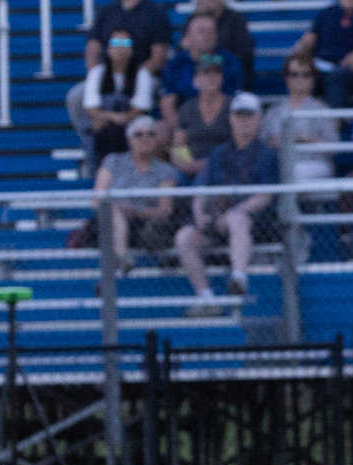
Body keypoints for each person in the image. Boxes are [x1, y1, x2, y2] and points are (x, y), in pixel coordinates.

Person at [175, 92, 280, 310]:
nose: (244, 121)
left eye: (249, 115)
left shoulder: (268, 154)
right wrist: (200, 215)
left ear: (259, 119)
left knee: (237, 218)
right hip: (217, 221)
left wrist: (234, 213)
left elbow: (266, 195)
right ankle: (206, 297)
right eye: (239, 115)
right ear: (231, 119)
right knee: (184, 237)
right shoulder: (219, 153)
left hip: (257, 225)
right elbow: (201, 190)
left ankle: (239, 277)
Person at [94, 114, 180, 272]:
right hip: (110, 221)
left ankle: (121, 258)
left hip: (144, 225)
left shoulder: (166, 171)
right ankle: (122, 256)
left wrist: (136, 211)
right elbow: (97, 198)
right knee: (114, 210)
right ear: (130, 139)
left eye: (150, 134)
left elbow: (165, 210)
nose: (144, 138)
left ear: (157, 139)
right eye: (138, 134)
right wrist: (120, 210)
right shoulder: (113, 161)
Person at [78, 33, 159, 170]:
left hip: (131, 120)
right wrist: (114, 117)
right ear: (108, 49)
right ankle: (99, 170)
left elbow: (140, 109)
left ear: (132, 50)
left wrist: (123, 118)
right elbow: (92, 108)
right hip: (106, 121)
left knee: (141, 130)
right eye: (115, 43)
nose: (120, 48)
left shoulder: (142, 74)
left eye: (126, 44)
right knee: (97, 126)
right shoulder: (97, 72)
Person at [288, 0, 353, 107]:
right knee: (301, 73)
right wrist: (298, 53)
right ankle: (298, 113)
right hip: (323, 66)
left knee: (336, 78)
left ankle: (334, 117)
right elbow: (308, 41)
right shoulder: (327, 12)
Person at [263, 53, 337, 186]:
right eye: (294, 74)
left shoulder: (323, 110)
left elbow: (333, 147)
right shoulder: (274, 111)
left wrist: (305, 139)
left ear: (313, 78)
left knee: (296, 174)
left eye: (306, 74)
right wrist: (281, 141)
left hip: (315, 165)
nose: (300, 79)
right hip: (279, 165)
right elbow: (263, 144)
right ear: (286, 78)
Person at [167, 54, 233, 180]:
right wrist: (189, 165)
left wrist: (208, 164)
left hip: (226, 166)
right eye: (206, 73)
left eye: (216, 73)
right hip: (190, 168)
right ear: (196, 79)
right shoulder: (187, 108)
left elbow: (239, 143)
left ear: (222, 78)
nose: (211, 78)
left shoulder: (232, 106)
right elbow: (178, 146)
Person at [160, 14, 241, 109]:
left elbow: (237, 99)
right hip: (185, 115)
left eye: (211, 31)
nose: (207, 36)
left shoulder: (229, 61)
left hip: (224, 114)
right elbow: (167, 103)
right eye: (201, 31)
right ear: (188, 36)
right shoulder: (175, 65)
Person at [195, 0, 257, 87]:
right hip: (198, 74)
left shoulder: (236, 20)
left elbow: (243, 54)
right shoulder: (193, 20)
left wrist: (213, 59)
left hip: (229, 73)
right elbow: (184, 48)